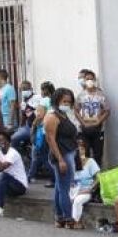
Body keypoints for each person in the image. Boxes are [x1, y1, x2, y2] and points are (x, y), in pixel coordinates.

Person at [44, 88, 79, 227]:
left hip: (69, 152)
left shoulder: (63, 114)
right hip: (61, 155)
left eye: (69, 102)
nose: (67, 104)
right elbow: (50, 139)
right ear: (57, 100)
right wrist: (60, 159)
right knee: (64, 188)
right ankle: (68, 218)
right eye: (64, 101)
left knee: (60, 187)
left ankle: (59, 217)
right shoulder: (52, 117)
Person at [75, 70, 109, 162]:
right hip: (84, 130)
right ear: (84, 80)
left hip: (98, 130)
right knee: (85, 155)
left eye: (91, 79)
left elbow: (107, 111)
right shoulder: (81, 95)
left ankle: (97, 170)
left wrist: (99, 121)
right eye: (87, 79)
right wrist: (82, 123)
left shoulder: (101, 94)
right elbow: (76, 111)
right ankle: (87, 171)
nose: (89, 81)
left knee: (98, 155)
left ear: (94, 80)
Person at [69, 137, 100, 229]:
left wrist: (90, 189)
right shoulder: (71, 162)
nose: (80, 151)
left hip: (86, 190)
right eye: (77, 149)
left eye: (82, 148)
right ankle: (68, 220)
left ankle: (75, 222)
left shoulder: (90, 161)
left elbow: (98, 178)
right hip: (73, 189)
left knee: (78, 200)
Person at [28, 81, 55, 185]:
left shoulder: (44, 101)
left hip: (42, 132)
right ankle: (30, 176)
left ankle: (54, 177)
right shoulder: (54, 100)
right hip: (51, 131)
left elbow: (40, 116)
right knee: (43, 156)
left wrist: (33, 126)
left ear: (45, 91)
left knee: (41, 156)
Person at [10, 80, 36, 151]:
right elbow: (23, 117)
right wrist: (20, 128)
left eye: (26, 89)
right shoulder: (23, 102)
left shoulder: (36, 98)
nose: (23, 91)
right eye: (22, 89)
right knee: (13, 136)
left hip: (36, 127)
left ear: (31, 89)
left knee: (14, 138)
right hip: (28, 126)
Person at [0, 69, 18, 133]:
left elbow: (12, 106)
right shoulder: (0, 90)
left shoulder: (9, 88)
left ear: (1, 77)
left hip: (8, 120)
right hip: (2, 120)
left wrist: (10, 122)